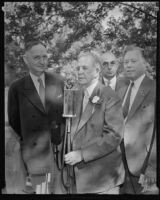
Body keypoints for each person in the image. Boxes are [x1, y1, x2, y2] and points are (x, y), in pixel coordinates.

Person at [8, 41, 64, 192]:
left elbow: (65, 114)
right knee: (41, 190)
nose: (42, 61)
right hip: (35, 153)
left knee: (61, 190)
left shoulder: (59, 82)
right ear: (26, 60)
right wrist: (31, 137)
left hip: (59, 151)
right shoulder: (17, 87)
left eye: (45, 57)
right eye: (37, 57)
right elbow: (14, 121)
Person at [64, 52, 125, 194]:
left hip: (102, 181)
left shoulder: (110, 96)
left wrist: (82, 154)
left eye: (84, 68)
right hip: (77, 179)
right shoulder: (75, 94)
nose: (79, 72)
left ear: (97, 71)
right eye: (78, 68)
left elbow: (114, 136)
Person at [118, 45, 158, 194]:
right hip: (120, 167)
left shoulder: (154, 89)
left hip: (144, 168)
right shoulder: (122, 89)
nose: (128, 65)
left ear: (145, 63)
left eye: (133, 61)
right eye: (125, 62)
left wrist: (153, 168)